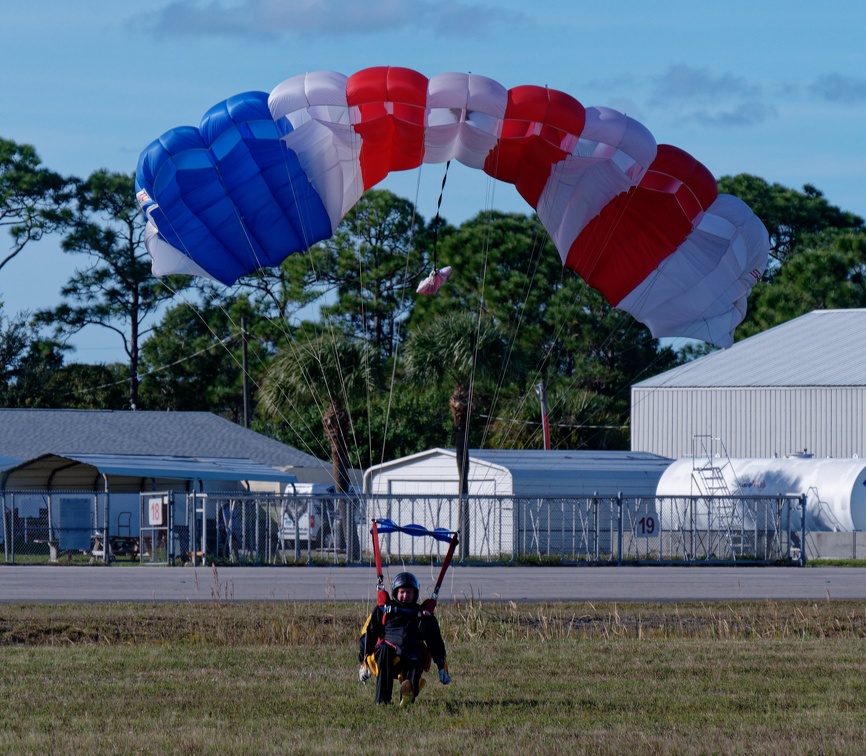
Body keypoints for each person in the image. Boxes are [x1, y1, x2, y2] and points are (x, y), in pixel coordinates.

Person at [358, 572, 450, 705]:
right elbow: (369, 635)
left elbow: (435, 642)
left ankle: (407, 697)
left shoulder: (423, 617)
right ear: (396, 592)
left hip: (411, 655)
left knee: (416, 659)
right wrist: (364, 661)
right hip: (388, 657)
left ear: (415, 594)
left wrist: (442, 666)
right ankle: (383, 700)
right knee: (384, 650)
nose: (405, 596)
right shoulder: (383, 611)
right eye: (402, 592)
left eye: (409, 592)